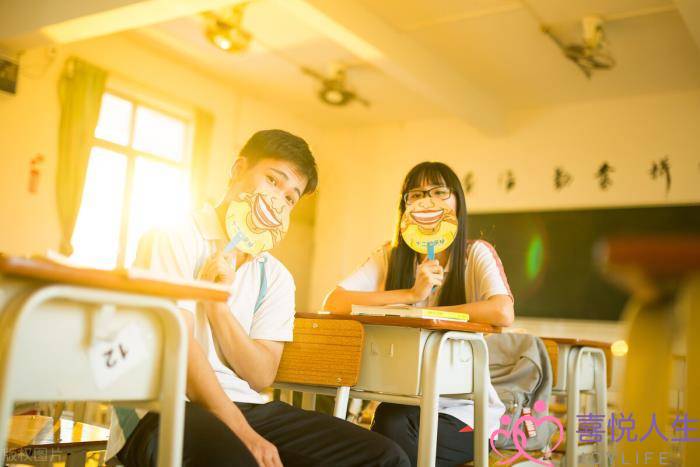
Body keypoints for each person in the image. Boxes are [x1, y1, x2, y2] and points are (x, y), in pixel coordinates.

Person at [106, 129, 409, 467]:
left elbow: (260, 375)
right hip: (162, 408)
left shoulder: (276, 277)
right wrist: (245, 435)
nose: (278, 201)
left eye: (290, 198)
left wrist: (217, 306)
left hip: (248, 408)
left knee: (386, 458)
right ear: (238, 170)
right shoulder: (173, 237)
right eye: (272, 180)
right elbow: (178, 353)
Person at [323, 161, 514, 466]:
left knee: (392, 432)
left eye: (439, 192)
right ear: (405, 207)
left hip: (467, 415)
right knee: (376, 421)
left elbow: (502, 310)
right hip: (404, 400)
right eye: (416, 195)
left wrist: (428, 312)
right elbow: (335, 302)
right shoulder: (390, 255)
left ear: (457, 202)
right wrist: (411, 294)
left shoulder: (474, 253)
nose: (428, 202)